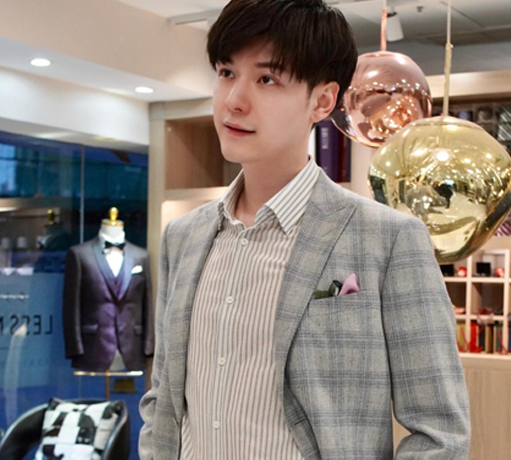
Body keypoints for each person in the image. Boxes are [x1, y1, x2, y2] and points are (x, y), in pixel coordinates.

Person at [139, 0, 471, 459]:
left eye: (267, 79)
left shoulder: (388, 239)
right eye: (226, 72)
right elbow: (163, 400)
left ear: (322, 100)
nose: (234, 100)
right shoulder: (184, 237)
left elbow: (440, 433)